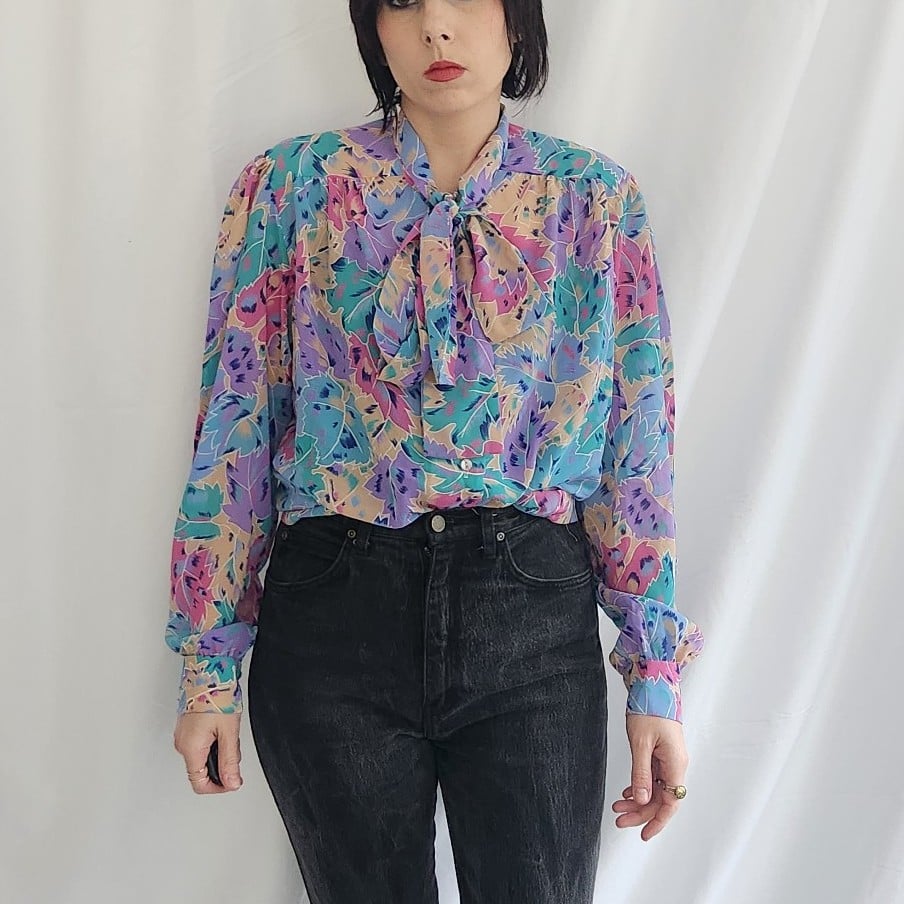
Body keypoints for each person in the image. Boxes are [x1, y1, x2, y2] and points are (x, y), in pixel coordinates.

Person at [168, 0, 705, 900]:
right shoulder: (290, 187)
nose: (436, 29)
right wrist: (207, 670)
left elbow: (637, 450)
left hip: (531, 617)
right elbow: (236, 427)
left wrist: (656, 679)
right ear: (372, 27)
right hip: (332, 613)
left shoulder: (592, 200)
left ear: (517, 17)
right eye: (403, 2)